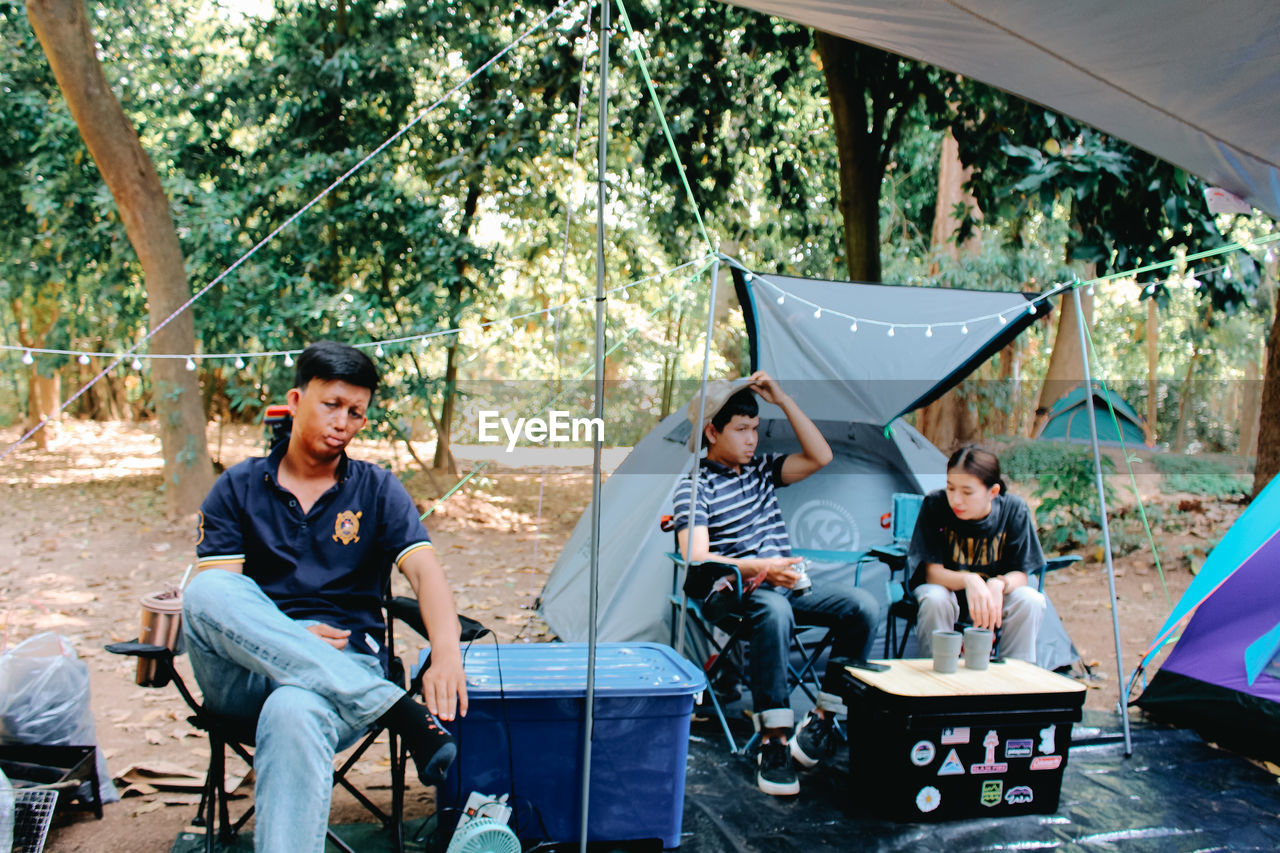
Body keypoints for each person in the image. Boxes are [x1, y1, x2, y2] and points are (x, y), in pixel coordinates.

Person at [183, 341, 467, 852]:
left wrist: (446, 654)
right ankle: (397, 709)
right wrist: (289, 637)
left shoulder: (377, 490)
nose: (344, 421)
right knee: (204, 590)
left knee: (294, 707)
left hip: (339, 675)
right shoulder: (237, 487)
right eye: (331, 404)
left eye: (356, 412)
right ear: (295, 400)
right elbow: (224, 607)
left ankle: (377, 699)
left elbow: (426, 573)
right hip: (246, 677)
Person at [672, 372, 878, 797]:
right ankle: (774, 743)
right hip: (735, 599)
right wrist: (760, 566)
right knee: (774, 608)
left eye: (756, 430)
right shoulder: (695, 486)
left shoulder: (762, 471)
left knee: (861, 605)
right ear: (712, 431)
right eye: (742, 430)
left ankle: (822, 721)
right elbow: (696, 557)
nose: (753, 440)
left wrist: (783, 400)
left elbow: (821, 456)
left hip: (787, 590)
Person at [908, 445, 1047, 665]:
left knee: (1031, 600)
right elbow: (932, 574)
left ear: (993, 492)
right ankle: (937, 681)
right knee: (935, 598)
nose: (956, 500)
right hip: (949, 594)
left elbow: (1021, 573)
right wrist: (969, 579)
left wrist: (998, 584)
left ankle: (1015, 680)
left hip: (995, 600)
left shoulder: (1013, 510)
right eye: (950, 488)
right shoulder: (936, 505)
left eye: (967, 492)